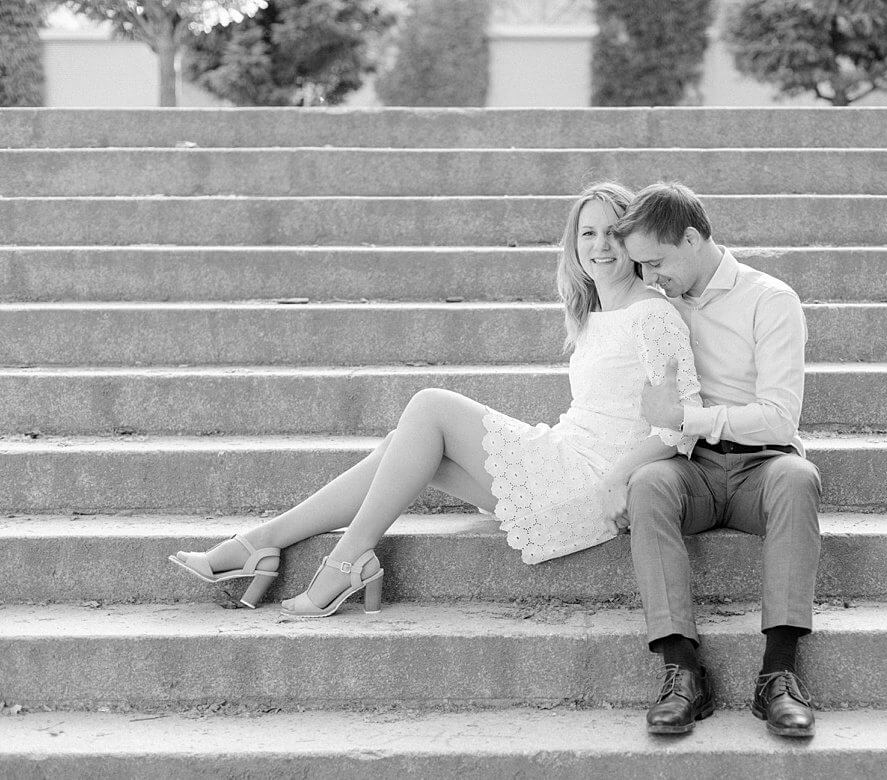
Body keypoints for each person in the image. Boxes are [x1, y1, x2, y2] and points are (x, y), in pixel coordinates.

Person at [169, 182, 703, 618]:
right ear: (573, 244)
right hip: (568, 458)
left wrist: (616, 479)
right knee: (407, 446)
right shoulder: (595, 318)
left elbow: (681, 426)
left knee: (430, 406)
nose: (600, 245)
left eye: (613, 232)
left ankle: (343, 559)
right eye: (588, 233)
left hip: (598, 481)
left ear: (634, 241)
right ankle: (262, 542)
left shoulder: (653, 315)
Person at [612, 182, 822, 738]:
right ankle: (683, 673)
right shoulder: (657, 307)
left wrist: (690, 418)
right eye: (641, 267)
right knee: (649, 483)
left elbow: (780, 418)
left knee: (800, 479)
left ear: (691, 238)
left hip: (763, 467)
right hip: (694, 470)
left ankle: (778, 676)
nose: (650, 278)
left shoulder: (770, 299)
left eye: (656, 262)